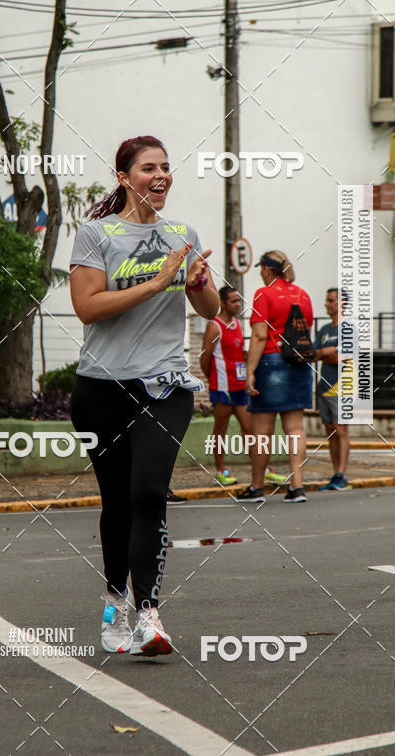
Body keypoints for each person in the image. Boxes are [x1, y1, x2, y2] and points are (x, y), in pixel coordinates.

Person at [69, 135, 219, 657]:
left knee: (149, 493)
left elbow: (208, 309)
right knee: (117, 502)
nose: (161, 175)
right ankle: (115, 601)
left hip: (165, 384)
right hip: (101, 387)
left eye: (166, 167)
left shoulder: (183, 234)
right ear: (124, 177)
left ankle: (149, 615)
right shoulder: (96, 234)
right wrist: (156, 283)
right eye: (148, 168)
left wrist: (195, 282)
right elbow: (87, 307)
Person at [240, 251, 313, 504]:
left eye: (261, 269)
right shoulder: (303, 295)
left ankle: (257, 487)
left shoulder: (264, 294)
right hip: (299, 363)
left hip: (271, 361)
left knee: (262, 430)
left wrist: (250, 371)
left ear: (267, 269)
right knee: (295, 428)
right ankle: (297, 487)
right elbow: (305, 328)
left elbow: (260, 335)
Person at [199, 286, 287, 487]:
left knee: (249, 428)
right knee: (220, 429)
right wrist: (213, 380)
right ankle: (221, 471)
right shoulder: (214, 326)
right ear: (223, 303)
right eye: (233, 301)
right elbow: (205, 358)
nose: (238, 304)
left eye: (238, 300)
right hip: (223, 387)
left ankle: (264, 469)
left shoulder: (237, 324)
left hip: (239, 386)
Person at [314, 288, 352, 490]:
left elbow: (342, 358)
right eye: (327, 300)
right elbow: (315, 354)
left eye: (331, 300)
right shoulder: (324, 330)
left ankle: (342, 474)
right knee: (330, 429)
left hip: (342, 386)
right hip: (324, 385)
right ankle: (335, 472)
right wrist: (327, 352)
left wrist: (328, 353)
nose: (327, 304)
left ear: (342, 303)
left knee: (341, 429)